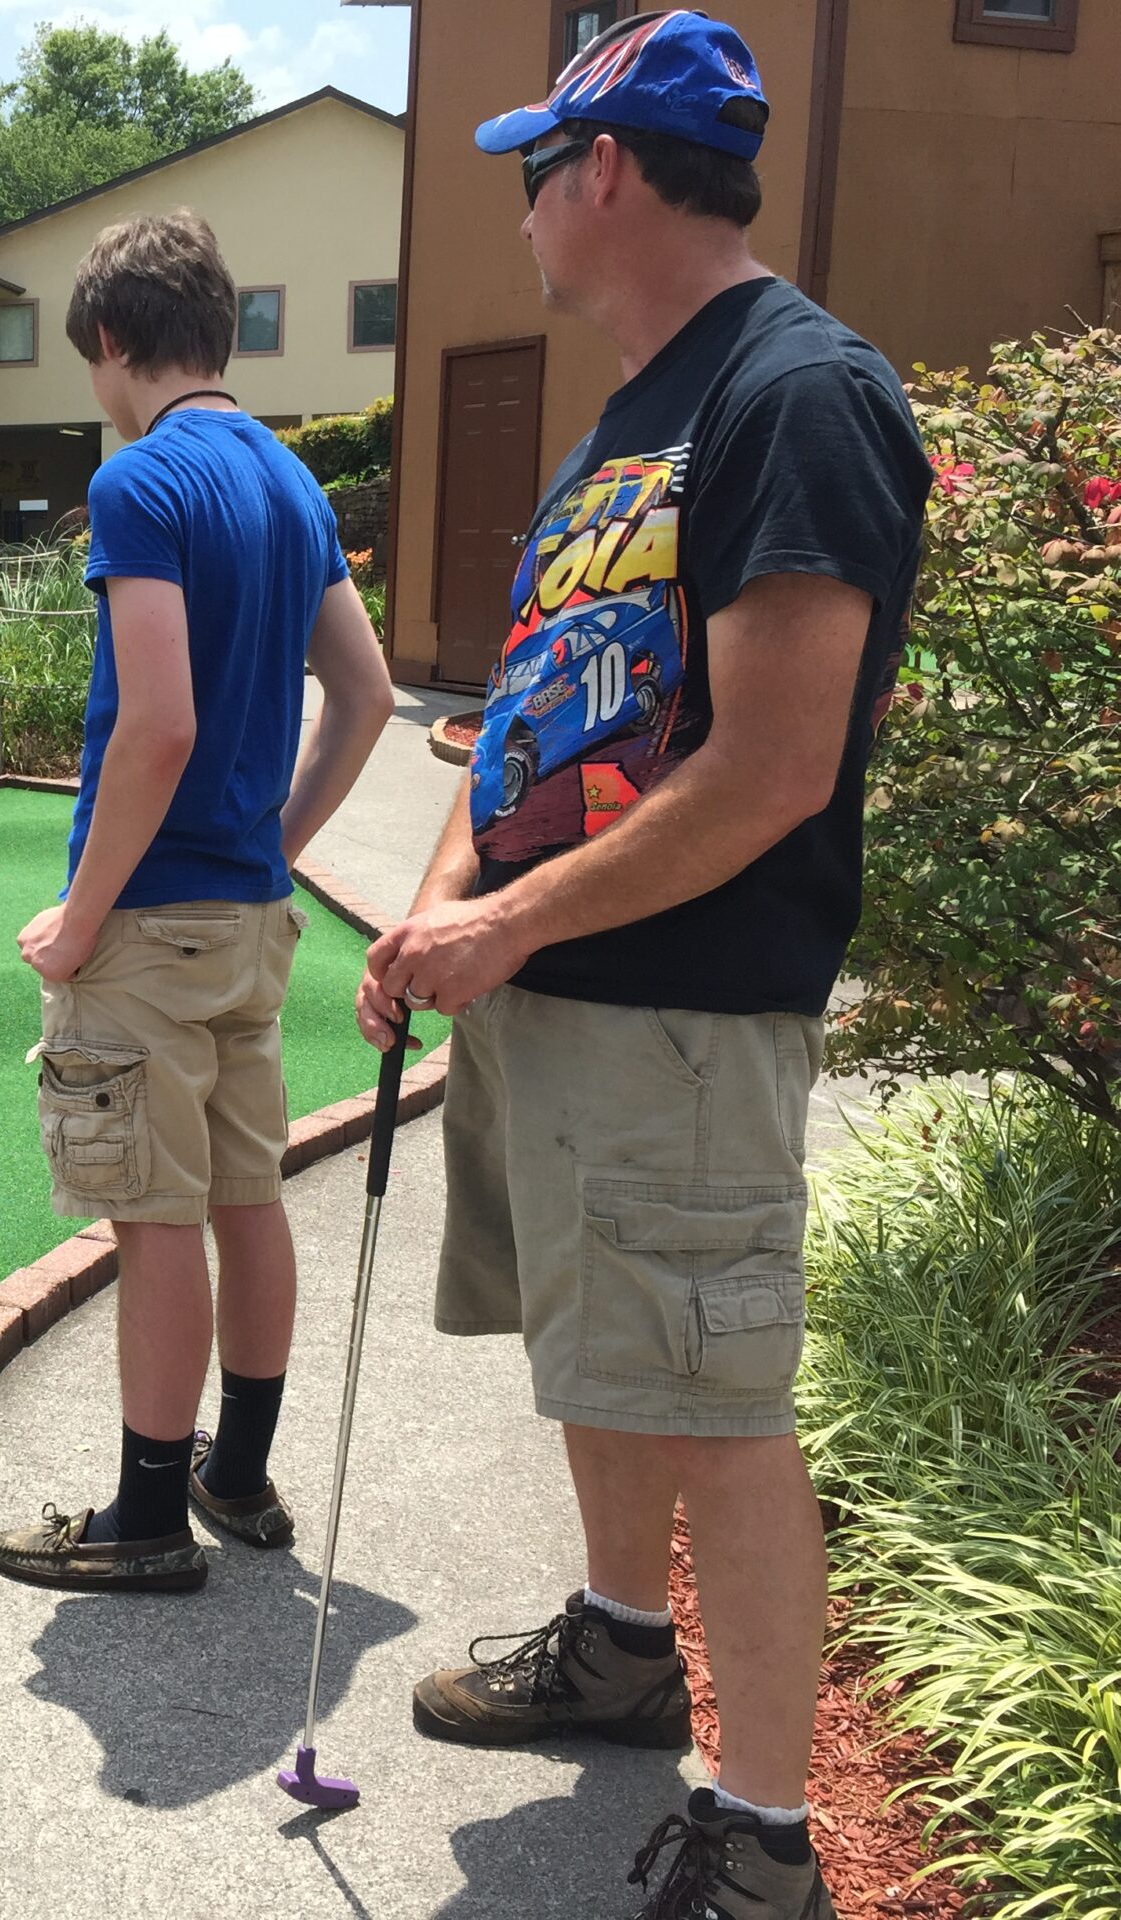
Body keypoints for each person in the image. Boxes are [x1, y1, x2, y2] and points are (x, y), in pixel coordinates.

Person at [357, 14, 929, 1916]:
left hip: (683, 1015)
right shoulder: (626, 412)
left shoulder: (795, 395)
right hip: (559, 986)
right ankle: (618, 1647)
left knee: (720, 1405)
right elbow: (519, 718)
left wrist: (510, 922)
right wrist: (446, 911)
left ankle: (764, 1840)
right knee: (608, 1354)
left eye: (538, 166)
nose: (521, 206)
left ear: (604, 171)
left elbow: (773, 762)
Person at [0, 209, 397, 1593]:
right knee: (243, 1194)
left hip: (150, 922)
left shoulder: (141, 484)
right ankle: (238, 1470)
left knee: (151, 1215)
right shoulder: (292, 484)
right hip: (247, 920)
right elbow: (369, 694)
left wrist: (83, 915)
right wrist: (276, 843)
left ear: (112, 341)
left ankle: (149, 1518)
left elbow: (154, 725)